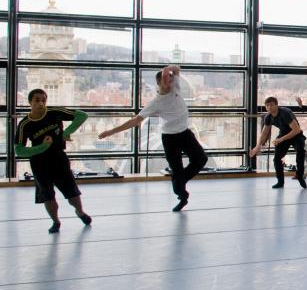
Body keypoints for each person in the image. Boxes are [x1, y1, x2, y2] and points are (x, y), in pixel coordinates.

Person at [100, 65, 207, 211]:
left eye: (170, 80)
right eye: (166, 81)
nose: (169, 83)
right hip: (170, 139)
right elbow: (135, 121)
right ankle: (182, 195)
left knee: (201, 159)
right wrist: (111, 131)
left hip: (185, 133)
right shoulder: (155, 103)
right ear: (159, 84)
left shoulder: (175, 86)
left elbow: (176, 69)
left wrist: (168, 68)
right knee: (177, 170)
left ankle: (179, 181)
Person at [15, 89, 92, 233]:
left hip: (58, 158)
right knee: (47, 194)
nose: (41, 103)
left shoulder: (55, 112)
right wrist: (42, 147)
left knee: (71, 191)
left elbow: (82, 115)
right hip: (39, 163)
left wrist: (66, 132)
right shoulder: (25, 124)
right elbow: (19, 150)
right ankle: (55, 221)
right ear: (30, 102)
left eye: (43, 100)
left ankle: (80, 212)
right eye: (37, 100)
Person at [250, 97, 306, 189]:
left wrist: (281, 139)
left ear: (276, 105)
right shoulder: (268, 117)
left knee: (300, 152)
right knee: (276, 159)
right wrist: (257, 146)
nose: (269, 107)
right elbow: (264, 133)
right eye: (267, 105)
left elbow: (296, 130)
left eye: (271, 105)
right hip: (283, 134)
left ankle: (300, 176)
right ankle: (280, 181)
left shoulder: (285, 113)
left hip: (296, 135)